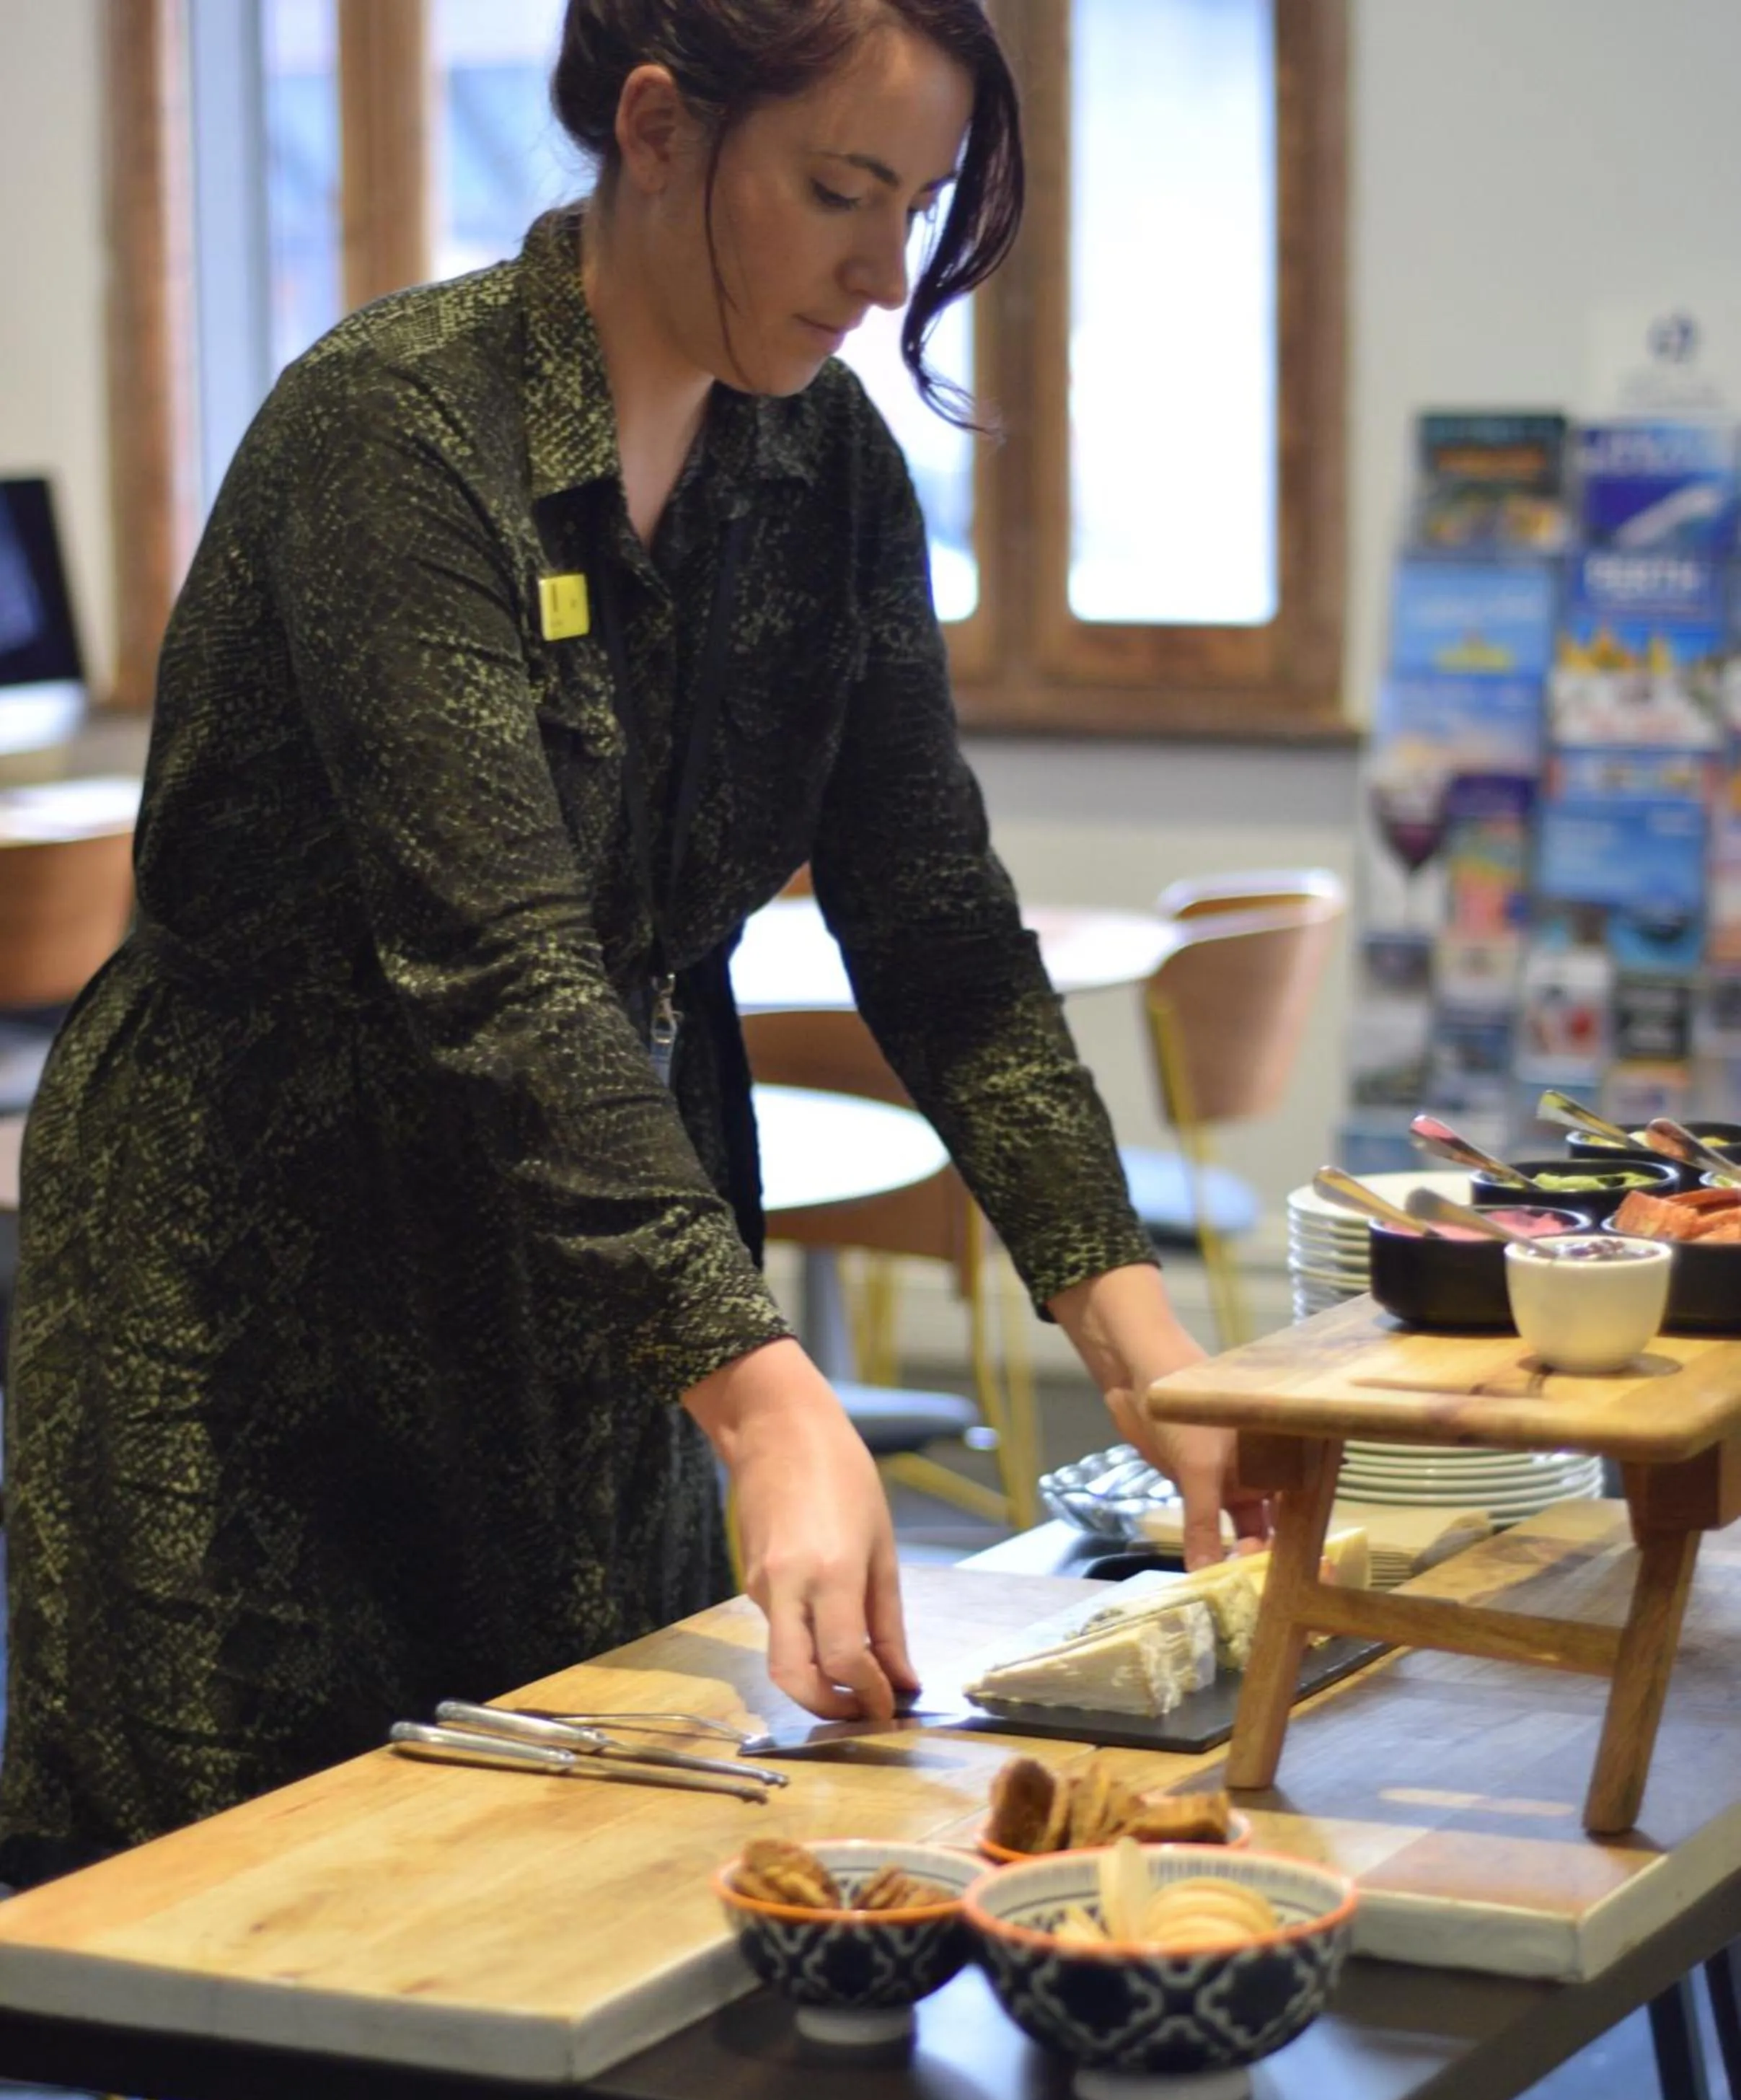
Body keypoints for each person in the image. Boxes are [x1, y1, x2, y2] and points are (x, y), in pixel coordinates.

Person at [0, 0, 1263, 1893]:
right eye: (843, 190)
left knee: (608, 1879)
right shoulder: (404, 429)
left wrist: (1140, 1338)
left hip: (595, 1293)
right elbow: (497, 963)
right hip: (260, 1289)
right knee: (310, 1946)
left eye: (917, 209)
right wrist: (767, 1399)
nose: (881, 267)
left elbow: (931, 922)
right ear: (660, 127)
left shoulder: (823, 472)